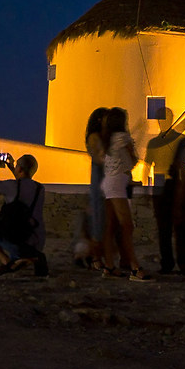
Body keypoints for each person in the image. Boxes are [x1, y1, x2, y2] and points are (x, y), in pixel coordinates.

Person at [0, 152, 50, 277]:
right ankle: (27, 258)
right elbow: (23, 183)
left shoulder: (12, 186)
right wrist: (12, 167)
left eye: (16, 166)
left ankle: (8, 261)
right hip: (38, 242)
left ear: (20, 169)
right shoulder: (40, 188)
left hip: (19, 240)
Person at [100, 107, 142, 280]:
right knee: (126, 226)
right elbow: (134, 158)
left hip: (108, 182)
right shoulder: (123, 138)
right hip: (118, 183)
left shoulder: (106, 140)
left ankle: (109, 267)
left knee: (109, 227)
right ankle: (135, 268)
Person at [152, 130, 185, 275]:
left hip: (163, 187)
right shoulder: (181, 139)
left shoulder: (156, 142)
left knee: (166, 230)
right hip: (173, 185)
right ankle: (183, 265)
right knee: (179, 229)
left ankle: (169, 264)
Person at [76, 109, 109, 269]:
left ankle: (94, 256)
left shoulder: (99, 137)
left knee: (101, 222)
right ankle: (95, 258)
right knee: (97, 221)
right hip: (100, 182)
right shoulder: (94, 138)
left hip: (103, 182)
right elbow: (98, 158)